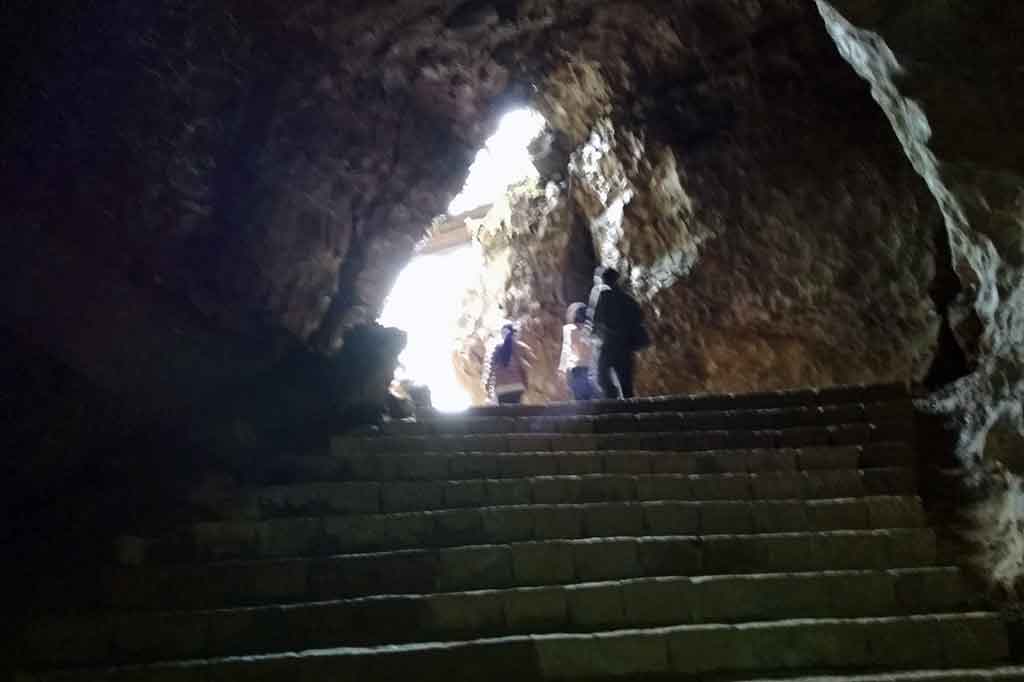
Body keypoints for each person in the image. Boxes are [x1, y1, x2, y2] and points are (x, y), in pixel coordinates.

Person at [587, 266, 649, 399]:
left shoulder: (602, 297)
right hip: (625, 346)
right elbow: (640, 315)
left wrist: (594, 334)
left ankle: (612, 397)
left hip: (609, 345)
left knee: (602, 377)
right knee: (626, 383)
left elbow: (596, 319)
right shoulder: (627, 298)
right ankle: (630, 407)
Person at [558, 302, 597, 400]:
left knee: (580, 400)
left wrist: (561, 369)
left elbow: (565, 350)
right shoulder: (592, 330)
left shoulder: (568, 329)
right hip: (591, 370)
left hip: (578, 370)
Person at [483, 323, 529, 404]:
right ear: (513, 334)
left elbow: (492, 369)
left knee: (504, 410)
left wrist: (488, 386)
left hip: (501, 388)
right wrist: (526, 382)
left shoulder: (498, 349)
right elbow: (522, 366)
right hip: (517, 386)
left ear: (503, 335)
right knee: (517, 410)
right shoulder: (519, 347)